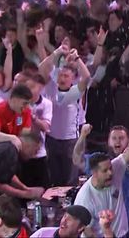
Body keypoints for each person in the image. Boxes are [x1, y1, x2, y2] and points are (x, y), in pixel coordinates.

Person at [74, 111, 129, 238]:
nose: (110, 173)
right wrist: (82, 136)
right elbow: (77, 159)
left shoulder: (117, 166)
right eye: (114, 138)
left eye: (121, 138)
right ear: (93, 172)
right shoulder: (85, 196)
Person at [39, 43, 90, 186]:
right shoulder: (51, 88)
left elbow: (86, 77)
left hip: (70, 142)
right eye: (61, 75)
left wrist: (77, 58)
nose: (62, 78)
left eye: (66, 76)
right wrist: (57, 52)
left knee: (70, 181)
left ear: (72, 79)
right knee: (53, 180)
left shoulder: (74, 93)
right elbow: (41, 70)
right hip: (51, 140)